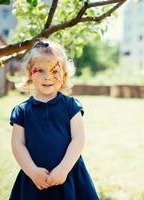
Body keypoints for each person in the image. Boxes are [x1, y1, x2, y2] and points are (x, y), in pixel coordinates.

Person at [9, 39, 99, 200]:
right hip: (34, 180)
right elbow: (17, 144)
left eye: (54, 71)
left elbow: (78, 139)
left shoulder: (71, 106)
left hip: (69, 175)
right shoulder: (22, 111)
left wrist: (63, 169)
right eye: (40, 70)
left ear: (64, 74)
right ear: (30, 72)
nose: (47, 77)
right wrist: (31, 171)